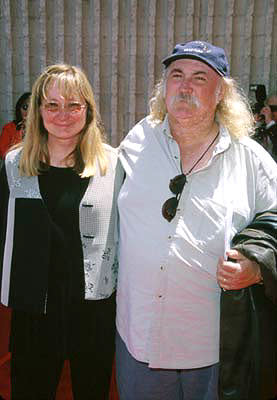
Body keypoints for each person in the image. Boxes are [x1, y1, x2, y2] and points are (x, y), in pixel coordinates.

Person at [115, 41, 277, 400]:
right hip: (139, 341)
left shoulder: (250, 159)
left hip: (212, 351)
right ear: (165, 86)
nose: (185, 86)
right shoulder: (138, 141)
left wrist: (259, 265)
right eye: (177, 75)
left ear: (221, 92)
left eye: (199, 77)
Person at [0, 64, 123, 399]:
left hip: (93, 311)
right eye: (52, 105)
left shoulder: (113, 166)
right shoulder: (14, 165)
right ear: (38, 111)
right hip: (33, 312)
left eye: (74, 105)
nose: (63, 114)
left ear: (88, 111)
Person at [0, 92, 31, 159]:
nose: (28, 111)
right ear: (19, 109)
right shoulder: (9, 128)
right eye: (25, 107)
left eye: (32, 108)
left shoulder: (44, 128)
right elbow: (3, 152)